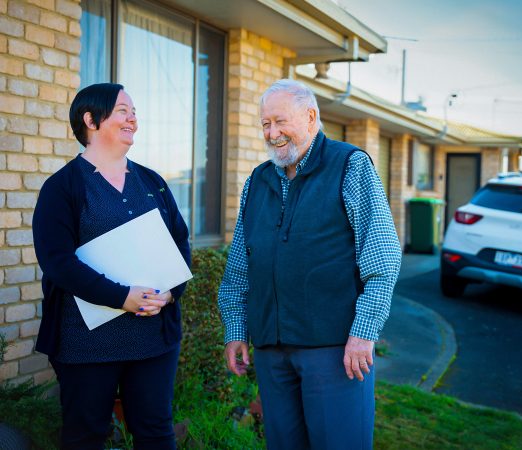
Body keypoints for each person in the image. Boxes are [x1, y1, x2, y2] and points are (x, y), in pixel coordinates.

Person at [218, 79, 402, 449]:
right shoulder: (258, 180)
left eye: (280, 121)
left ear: (311, 116)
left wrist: (364, 333)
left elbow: (382, 258)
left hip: (335, 351)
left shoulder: (350, 166)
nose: (272, 133)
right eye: (265, 124)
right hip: (272, 351)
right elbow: (240, 263)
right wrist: (236, 328)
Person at [32, 83, 190, 450]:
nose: (133, 117)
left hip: (153, 338)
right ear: (90, 119)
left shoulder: (152, 182)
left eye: (133, 111)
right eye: (122, 110)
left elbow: (180, 242)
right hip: (86, 342)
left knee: (156, 432)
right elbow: (58, 262)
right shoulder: (62, 187)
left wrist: (170, 293)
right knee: (85, 436)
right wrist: (122, 297)